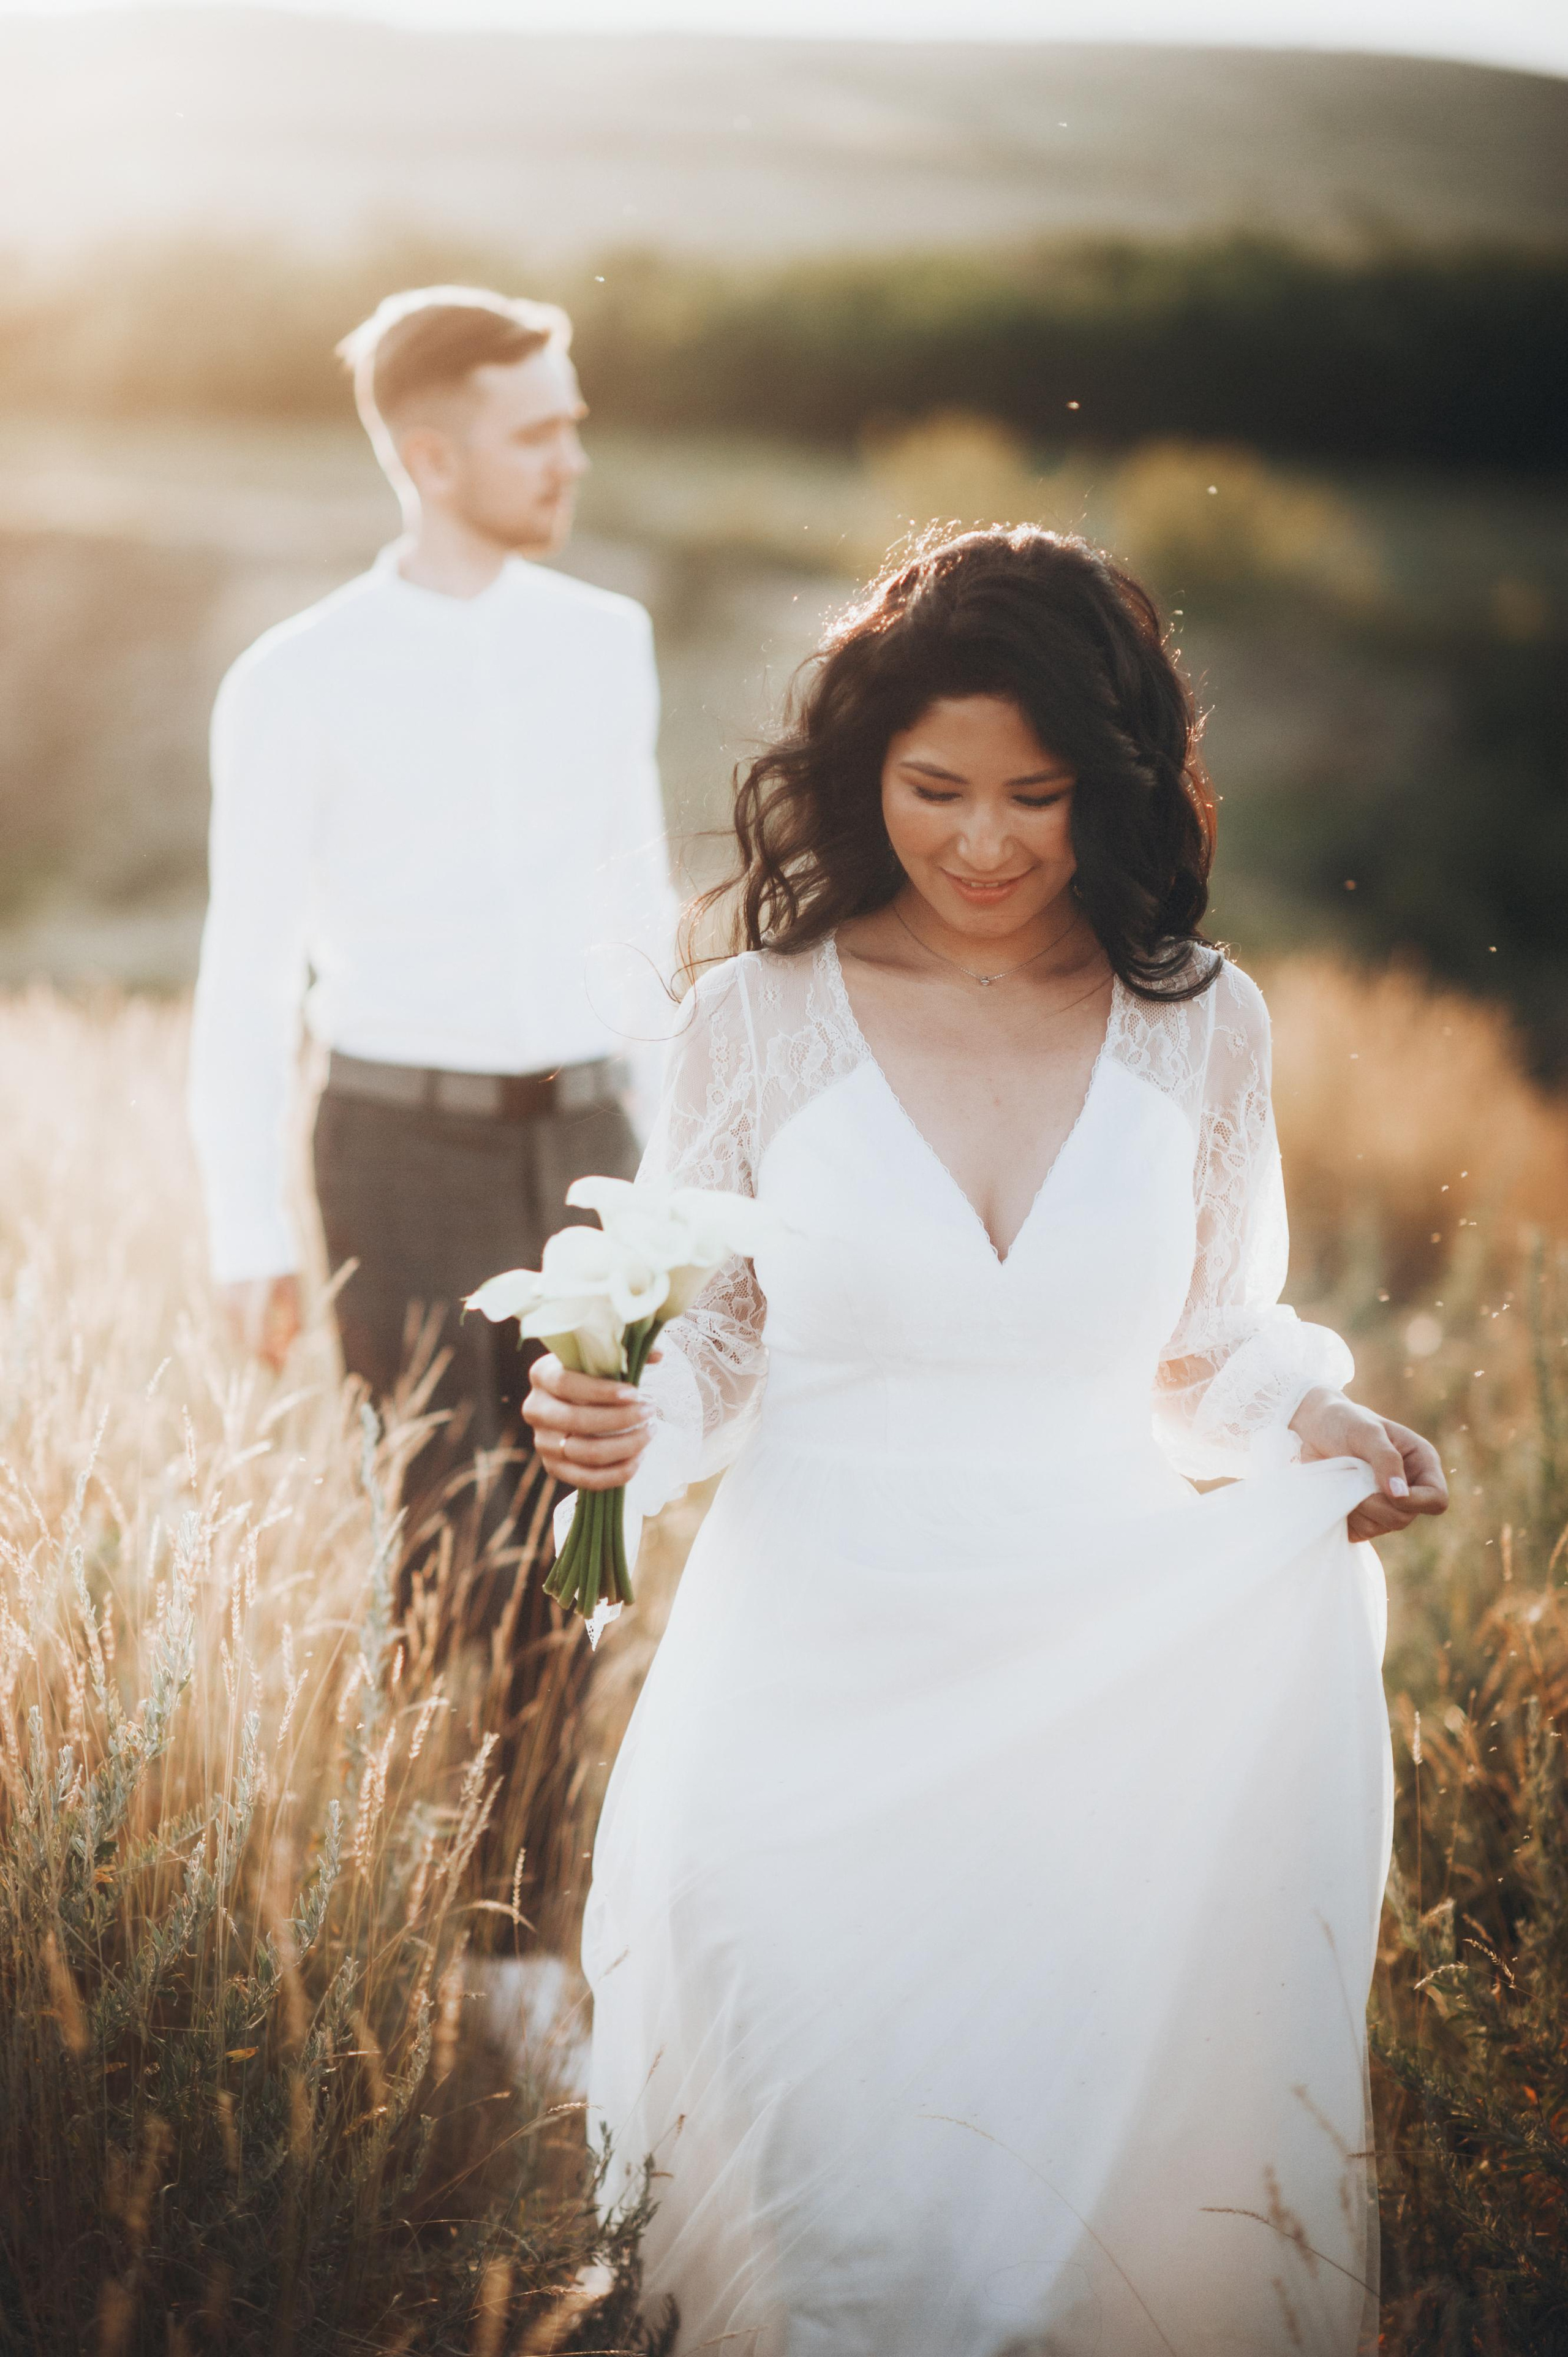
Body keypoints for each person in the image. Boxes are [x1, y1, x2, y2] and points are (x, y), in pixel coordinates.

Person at [524, 526, 1447, 2356]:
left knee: (1056, 2177)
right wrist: (626, 1423)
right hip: (810, 1676)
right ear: (864, 774)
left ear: (1115, 792)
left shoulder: (1203, 1026)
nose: (983, 840)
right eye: (934, 788)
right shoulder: (757, 1019)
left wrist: (1318, 1415)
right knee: (809, 2170)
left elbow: (1204, 1346)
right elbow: (714, 1338)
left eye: (1037, 795)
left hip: (1099, 1696)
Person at [189, 285, 675, 1507]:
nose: (573, 458)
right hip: (394, 1150)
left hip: (589, 1144)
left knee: (583, 1529)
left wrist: (672, 1171)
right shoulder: (293, 678)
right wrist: (247, 1232)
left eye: (571, 423)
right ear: (429, 457)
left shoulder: (606, 640)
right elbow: (245, 968)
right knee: (441, 1530)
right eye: (535, 435)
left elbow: (641, 916)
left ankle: (549, 1711)